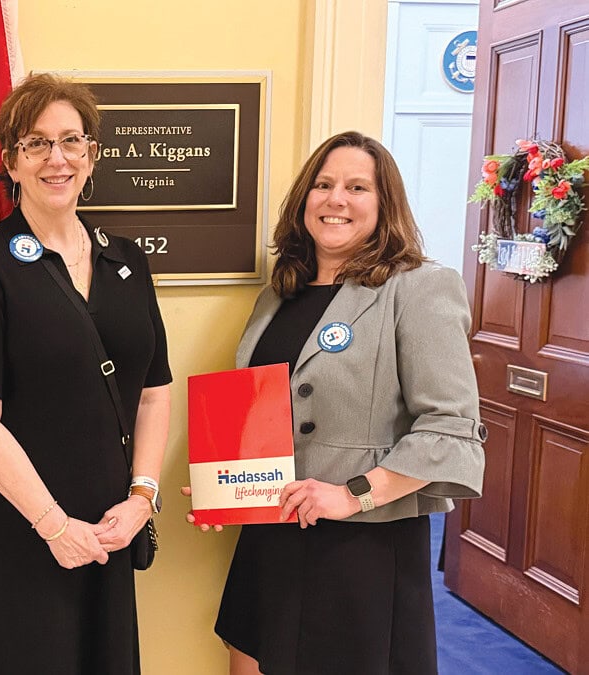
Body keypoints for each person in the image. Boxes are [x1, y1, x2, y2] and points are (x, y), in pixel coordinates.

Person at [186, 130, 486, 674]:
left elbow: (450, 429)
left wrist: (353, 496)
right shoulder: (281, 290)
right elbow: (262, 410)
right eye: (323, 185)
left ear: (383, 202)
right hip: (273, 534)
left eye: (356, 187)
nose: (336, 199)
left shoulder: (419, 287)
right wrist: (223, 487)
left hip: (361, 548)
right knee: (249, 659)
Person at [0, 73, 173, 675]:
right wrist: (53, 525)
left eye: (71, 141)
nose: (56, 158)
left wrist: (143, 497)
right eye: (36, 144)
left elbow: (152, 395)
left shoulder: (126, 260)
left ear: (92, 154)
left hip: (108, 529)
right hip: (14, 528)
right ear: (11, 162)